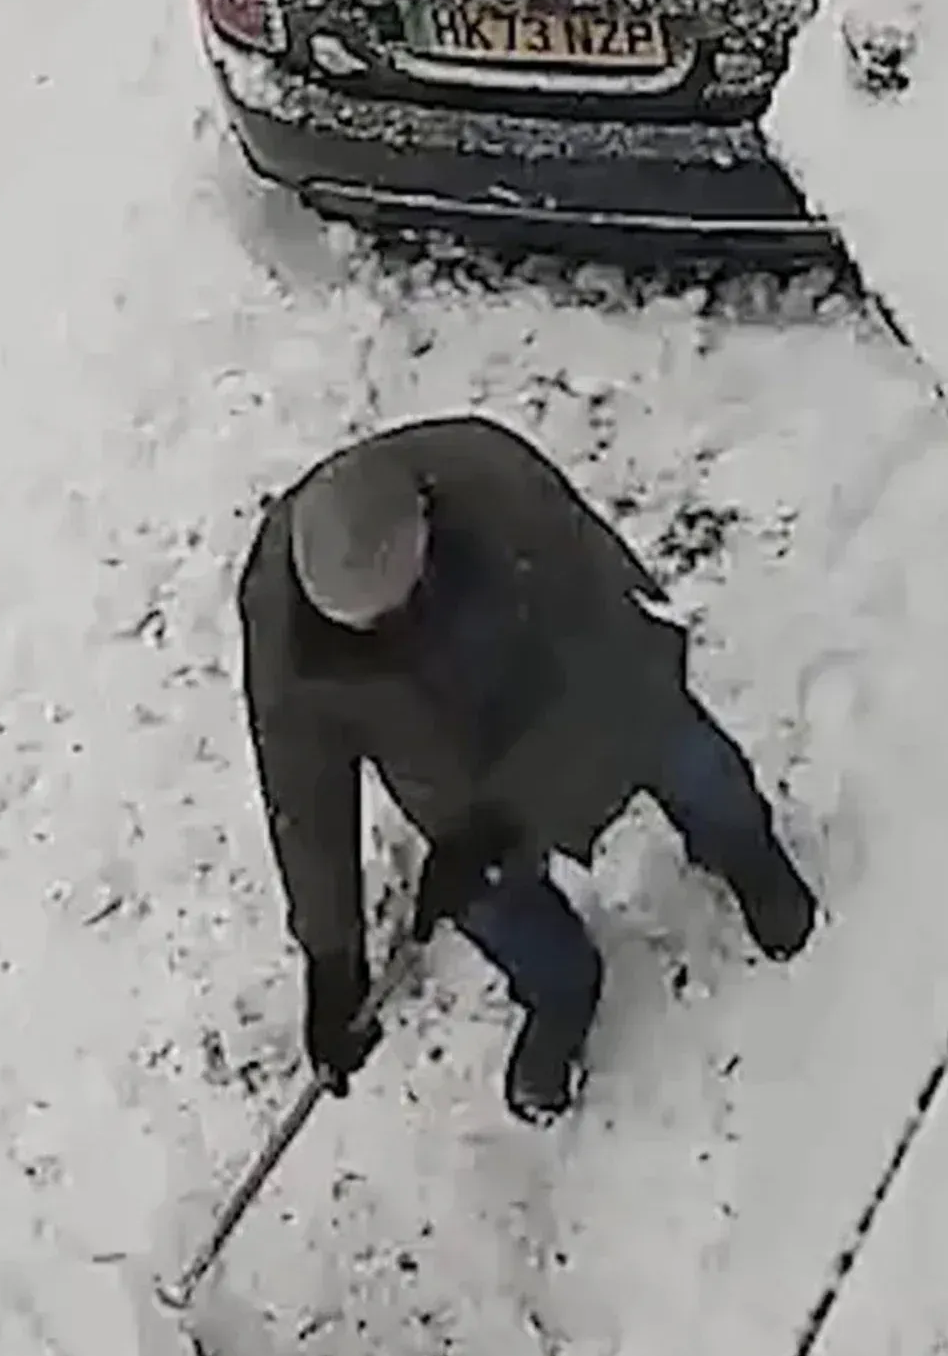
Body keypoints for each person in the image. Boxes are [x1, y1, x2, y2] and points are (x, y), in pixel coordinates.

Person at [235, 414, 818, 1126]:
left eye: (398, 608)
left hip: (573, 687)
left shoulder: (497, 488)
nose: (387, 633)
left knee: (680, 751)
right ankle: (560, 989)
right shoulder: (280, 614)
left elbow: (613, 661)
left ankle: (746, 851)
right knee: (481, 896)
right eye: (364, 628)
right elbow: (301, 784)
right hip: (437, 759)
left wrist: (508, 813)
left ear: (427, 529)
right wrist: (332, 956)